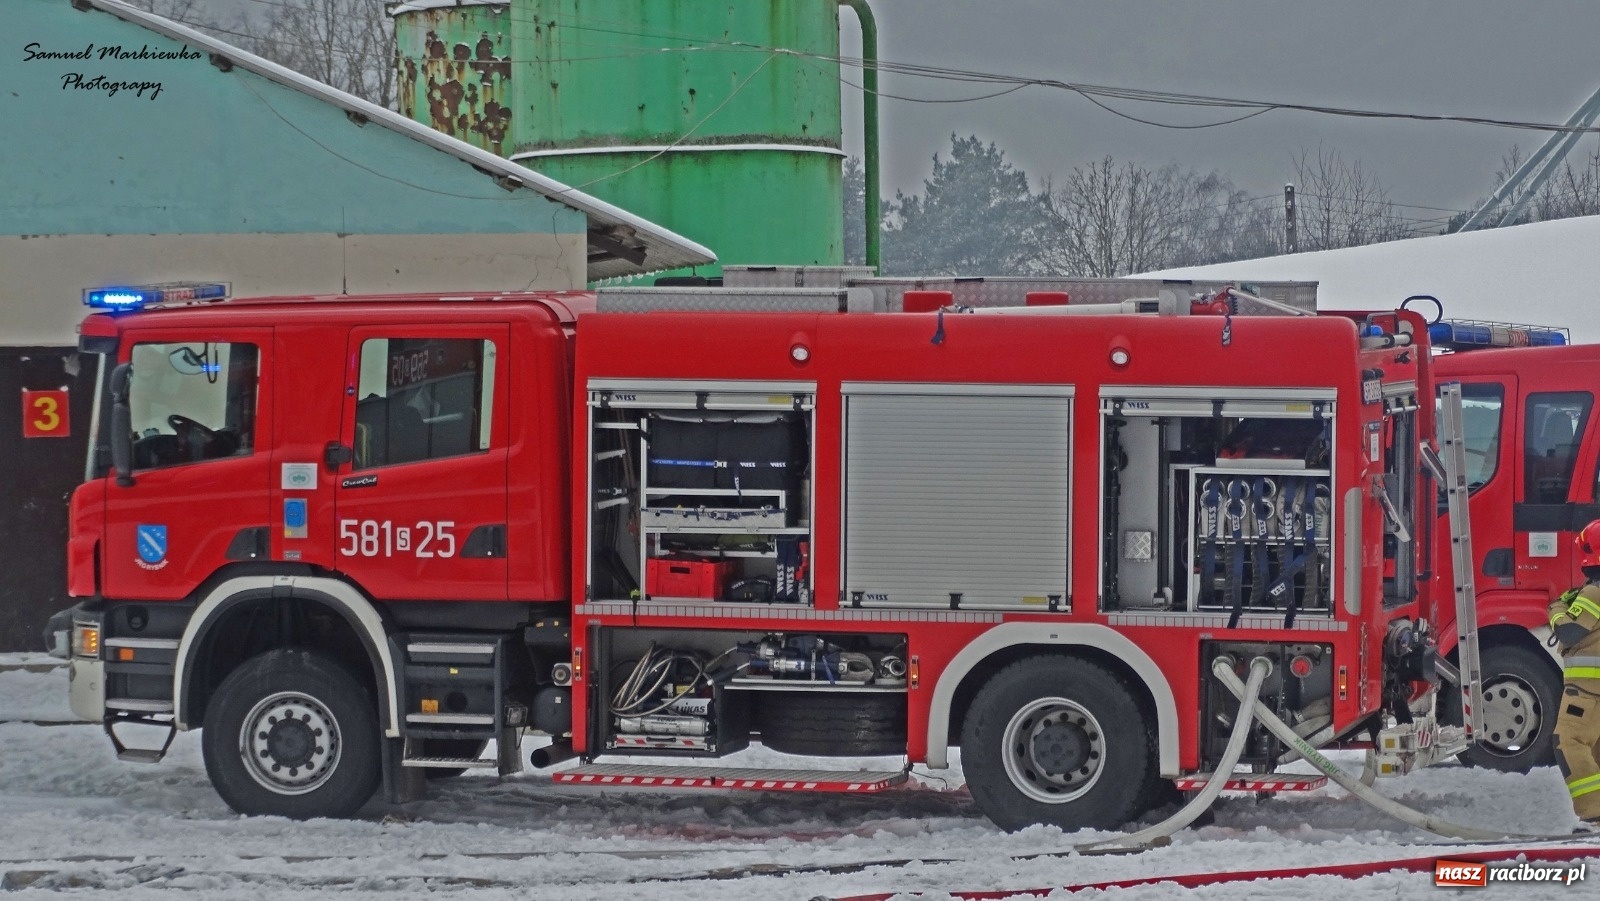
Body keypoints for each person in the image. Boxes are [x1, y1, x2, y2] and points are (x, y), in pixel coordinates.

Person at [1550, 520, 1600, 829]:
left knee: (1568, 741)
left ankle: (1593, 813)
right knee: (1594, 747)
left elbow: (1568, 632)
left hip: (1586, 689)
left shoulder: (1593, 593)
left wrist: (1556, 608)